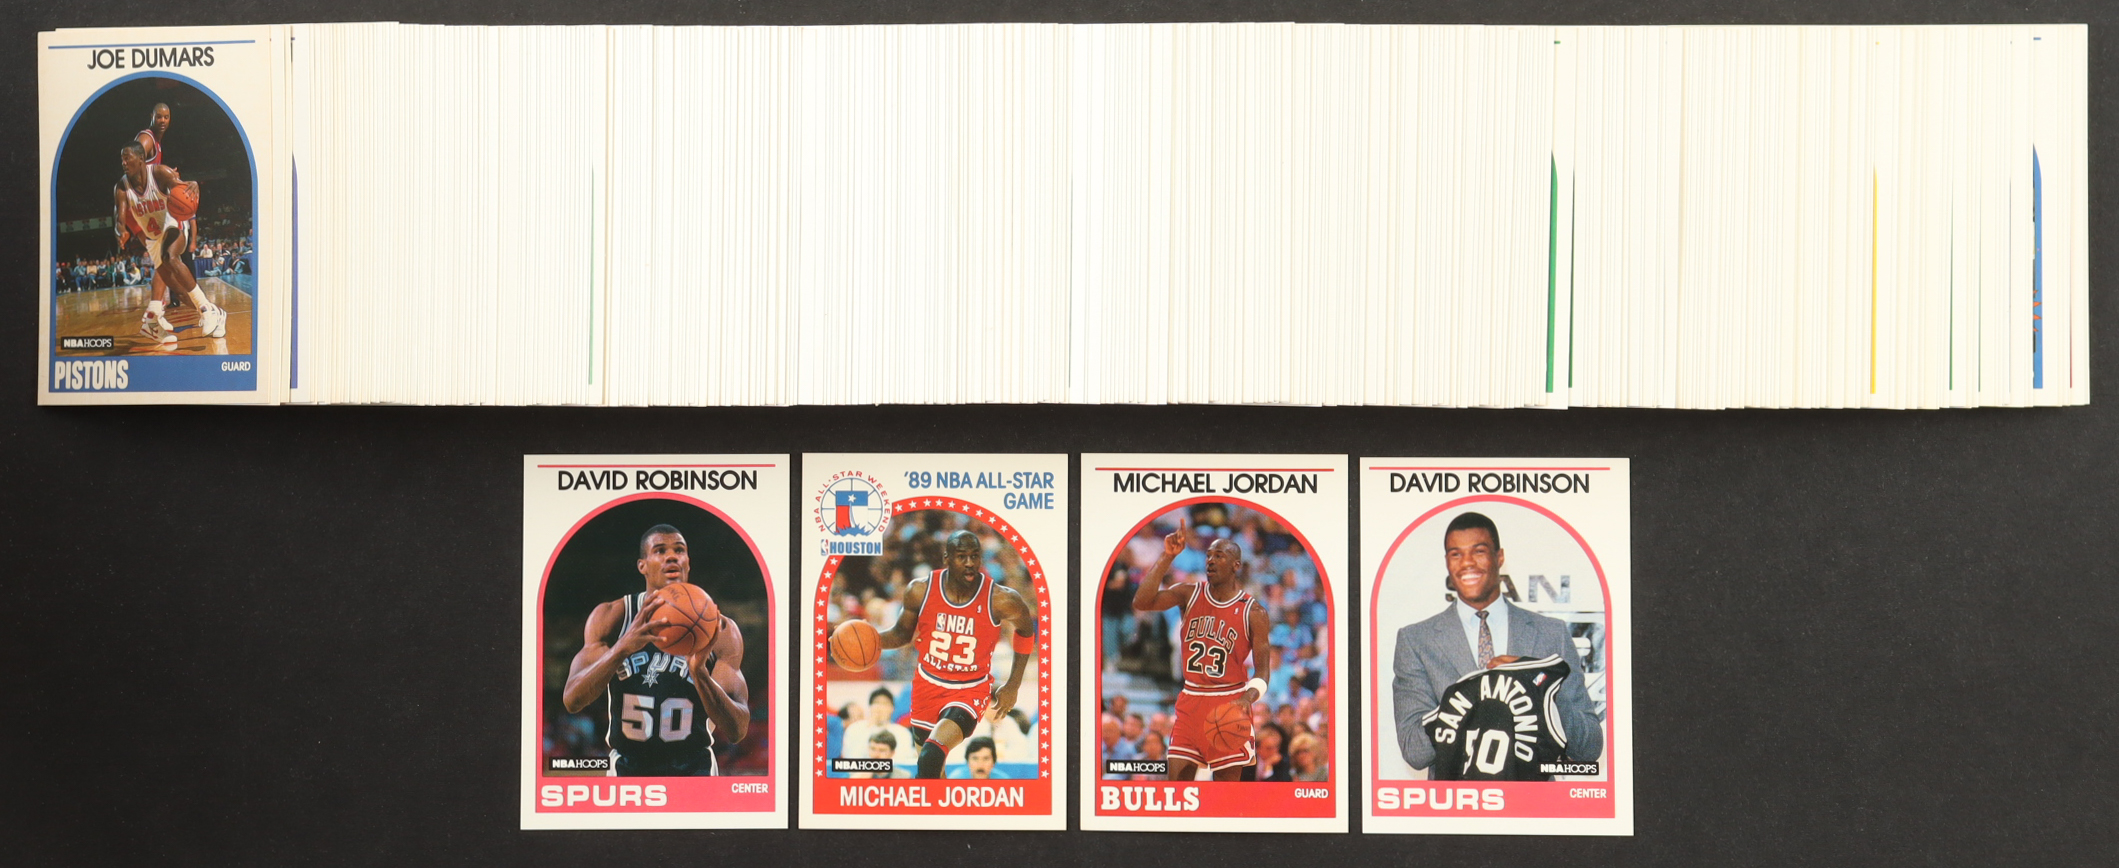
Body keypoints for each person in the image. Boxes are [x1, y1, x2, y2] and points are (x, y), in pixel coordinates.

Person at [1391, 511, 1602, 777]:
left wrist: (1538, 686)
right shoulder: (1416, 641)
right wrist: (1472, 693)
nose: (1467, 562)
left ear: (1499, 557)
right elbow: (1414, 750)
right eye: (1456, 554)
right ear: (1447, 562)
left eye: (1478, 551)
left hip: (1535, 801)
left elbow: (1589, 747)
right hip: (1456, 802)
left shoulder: (1551, 633)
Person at [562, 524, 750, 776]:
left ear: (688, 562)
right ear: (642, 565)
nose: (671, 556)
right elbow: (572, 700)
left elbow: (737, 730)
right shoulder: (613, 617)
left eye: (679, 550)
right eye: (660, 550)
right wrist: (621, 649)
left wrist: (701, 675)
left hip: (695, 769)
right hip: (627, 768)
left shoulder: (720, 629)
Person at [864, 530, 1039, 779]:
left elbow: (1026, 630)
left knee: (931, 755)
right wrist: (869, 639)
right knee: (932, 771)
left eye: (974, 556)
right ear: (946, 558)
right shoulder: (920, 590)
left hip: (969, 689)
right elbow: (901, 634)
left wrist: (1013, 684)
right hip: (927, 685)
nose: (969, 563)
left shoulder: (1000, 598)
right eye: (961, 556)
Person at [1134, 518, 1271, 782]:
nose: (1210, 561)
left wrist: (1249, 697)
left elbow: (1263, 672)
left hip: (1229, 702)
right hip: (1191, 700)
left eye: (1219, 556)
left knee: (1225, 796)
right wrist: (1167, 556)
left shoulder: (1253, 612)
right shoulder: (1189, 594)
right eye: (1208, 555)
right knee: (1177, 789)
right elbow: (1142, 601)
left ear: (1236, 565)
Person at [113, 143, 224, 344]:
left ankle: (207, 310)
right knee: (180, 293)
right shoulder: (121, 187)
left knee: (170, 257)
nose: (124, 163)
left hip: (173, 223)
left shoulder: (159, 173)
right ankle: (215, 313)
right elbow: (119, 219)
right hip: (153, 237)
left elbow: (182, 188)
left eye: (127, 158)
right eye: (122, 159)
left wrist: (192, 185)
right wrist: (121, 232)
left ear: (141, 158)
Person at [840, 686, 916, 771]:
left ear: (892, 709)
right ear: (870, 707)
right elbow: (850, 759)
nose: (880, 707)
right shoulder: (855, 729)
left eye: (885, 704)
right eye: (876, 703)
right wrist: (870, 727)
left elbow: (902, 762)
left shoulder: (902, 733)